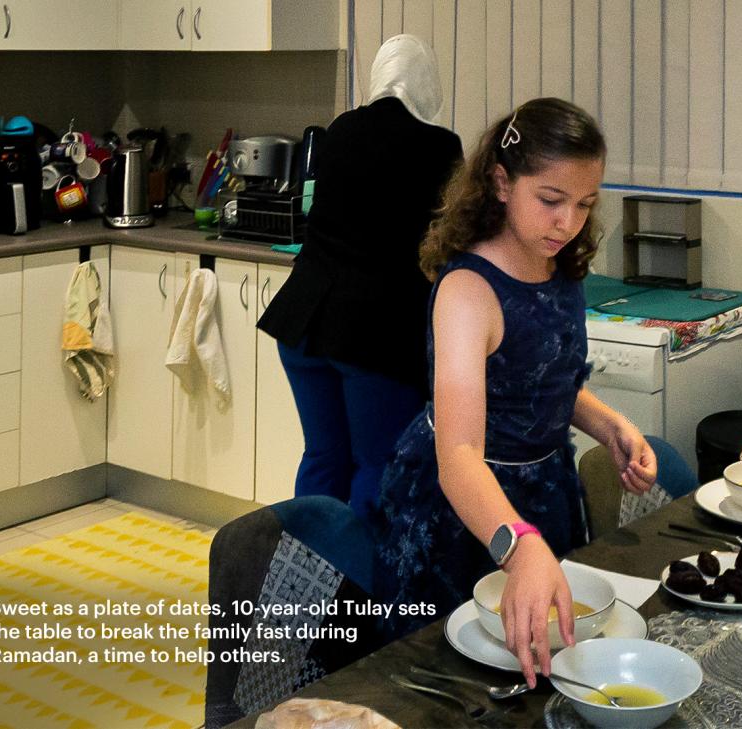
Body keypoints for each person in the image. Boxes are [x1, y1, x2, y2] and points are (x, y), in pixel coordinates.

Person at [373, 98, 656, 686]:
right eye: (550, 201)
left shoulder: (560, 266)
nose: (568, 222)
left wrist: (609, 426)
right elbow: (457, 456)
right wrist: (519, 544)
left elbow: (540, 382)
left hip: (542, 490)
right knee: (456, 680)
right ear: (502, 183)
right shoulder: (468, 292)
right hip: (462, 510)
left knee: (542, 665)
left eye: (585, 204)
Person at [257, 35, 463, 518]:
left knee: (323, 457)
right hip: (374, 334)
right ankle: (366, 589)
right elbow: (450, 232)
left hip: (304, 321)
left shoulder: (341, 129)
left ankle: (307, 582)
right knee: (378, 464)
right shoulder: (439, 145)